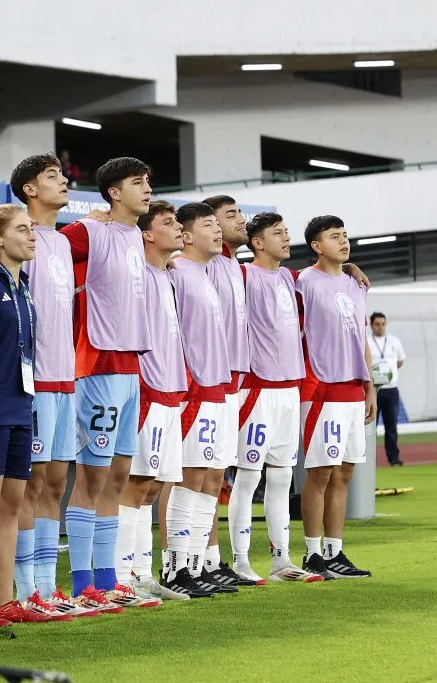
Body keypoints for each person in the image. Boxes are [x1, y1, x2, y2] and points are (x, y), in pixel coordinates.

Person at [0, 204, 69, 624]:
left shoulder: (20, 286)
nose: (32, 235)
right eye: (23, 229)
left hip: (22, 407)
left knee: (11, 504)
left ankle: (6, 600)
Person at [58, 157, 155, 609]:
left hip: (130, 366)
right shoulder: (88, 232)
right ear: (113, 192)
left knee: (117, 476)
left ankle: (108, 579)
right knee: (91, 478)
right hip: (96, 365)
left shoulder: (135, 235)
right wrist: (81, 222)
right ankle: (82, 586)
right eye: (137, 183)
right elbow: (41, 247)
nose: (147, 189)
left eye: (148, 182)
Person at [8, 154, 97, 617]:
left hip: (67, 377)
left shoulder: (62, 243)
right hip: (34, 377)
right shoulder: (21, 241)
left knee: (57, 481)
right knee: (31, 482)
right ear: (28, 189)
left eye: (64, 174)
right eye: (51, 177)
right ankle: (25, 589)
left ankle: (47, 586)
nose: (63, 181)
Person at [228, 212, 323, 584]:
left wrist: (349, 267)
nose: (286, 238)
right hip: (258, 390)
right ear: (257, 242)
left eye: (286, 232)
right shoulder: (244, 276)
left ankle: (281, 561)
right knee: (248, 477)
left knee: (282, 478)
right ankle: (239, 561)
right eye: (277, 233)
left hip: (289, 390)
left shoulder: (288, 276)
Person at [116, 201, 198, 601]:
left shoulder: (167, 275)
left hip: (171, 390)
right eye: (169, 223)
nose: (178, 229)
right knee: (135, 484)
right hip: (148, 389)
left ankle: (143, 573)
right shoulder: (140, 274)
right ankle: (120, 576)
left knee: (154, 485)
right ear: (146, 233)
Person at [297, 215, 376, 579]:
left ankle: (335, 551)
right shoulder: (303, 282)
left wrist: (369, 386)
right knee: (320, 473)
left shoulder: (355, 285)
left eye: (345, 235)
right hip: (322, 390)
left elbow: (362, 339)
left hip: (353, 389)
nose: (343, 241)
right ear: (317, 246)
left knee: (344, 473)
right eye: (334, 236)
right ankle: (312, 554)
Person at [165, 202, 237, 596]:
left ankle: (196, 564)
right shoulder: (177, 271)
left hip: (217, 387)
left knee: (212, 478)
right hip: (193, 388)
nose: (217, 230)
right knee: (189, 477)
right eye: (208, 224)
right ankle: (174, 567)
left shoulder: (205, 274)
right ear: (187, 234)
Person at [199, 195, 254, 587]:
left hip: (232, 380)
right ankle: (194, 561)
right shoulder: (207, 265)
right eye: (229, 215)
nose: (240, 221)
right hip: (207, 380)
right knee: (193, 474)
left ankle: (210, 560)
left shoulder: (235, 265)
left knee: (216, 474)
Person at [369, 312, 406, 466]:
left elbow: (400, 361)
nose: (381, 327)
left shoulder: (394, 341)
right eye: (377, 324)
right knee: (371, 427)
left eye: (383, 324)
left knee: (391, 426)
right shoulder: (367, 342)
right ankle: (370, 460)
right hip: (373, 390)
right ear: (371, 325)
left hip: (391, 389)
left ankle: (394, 458)